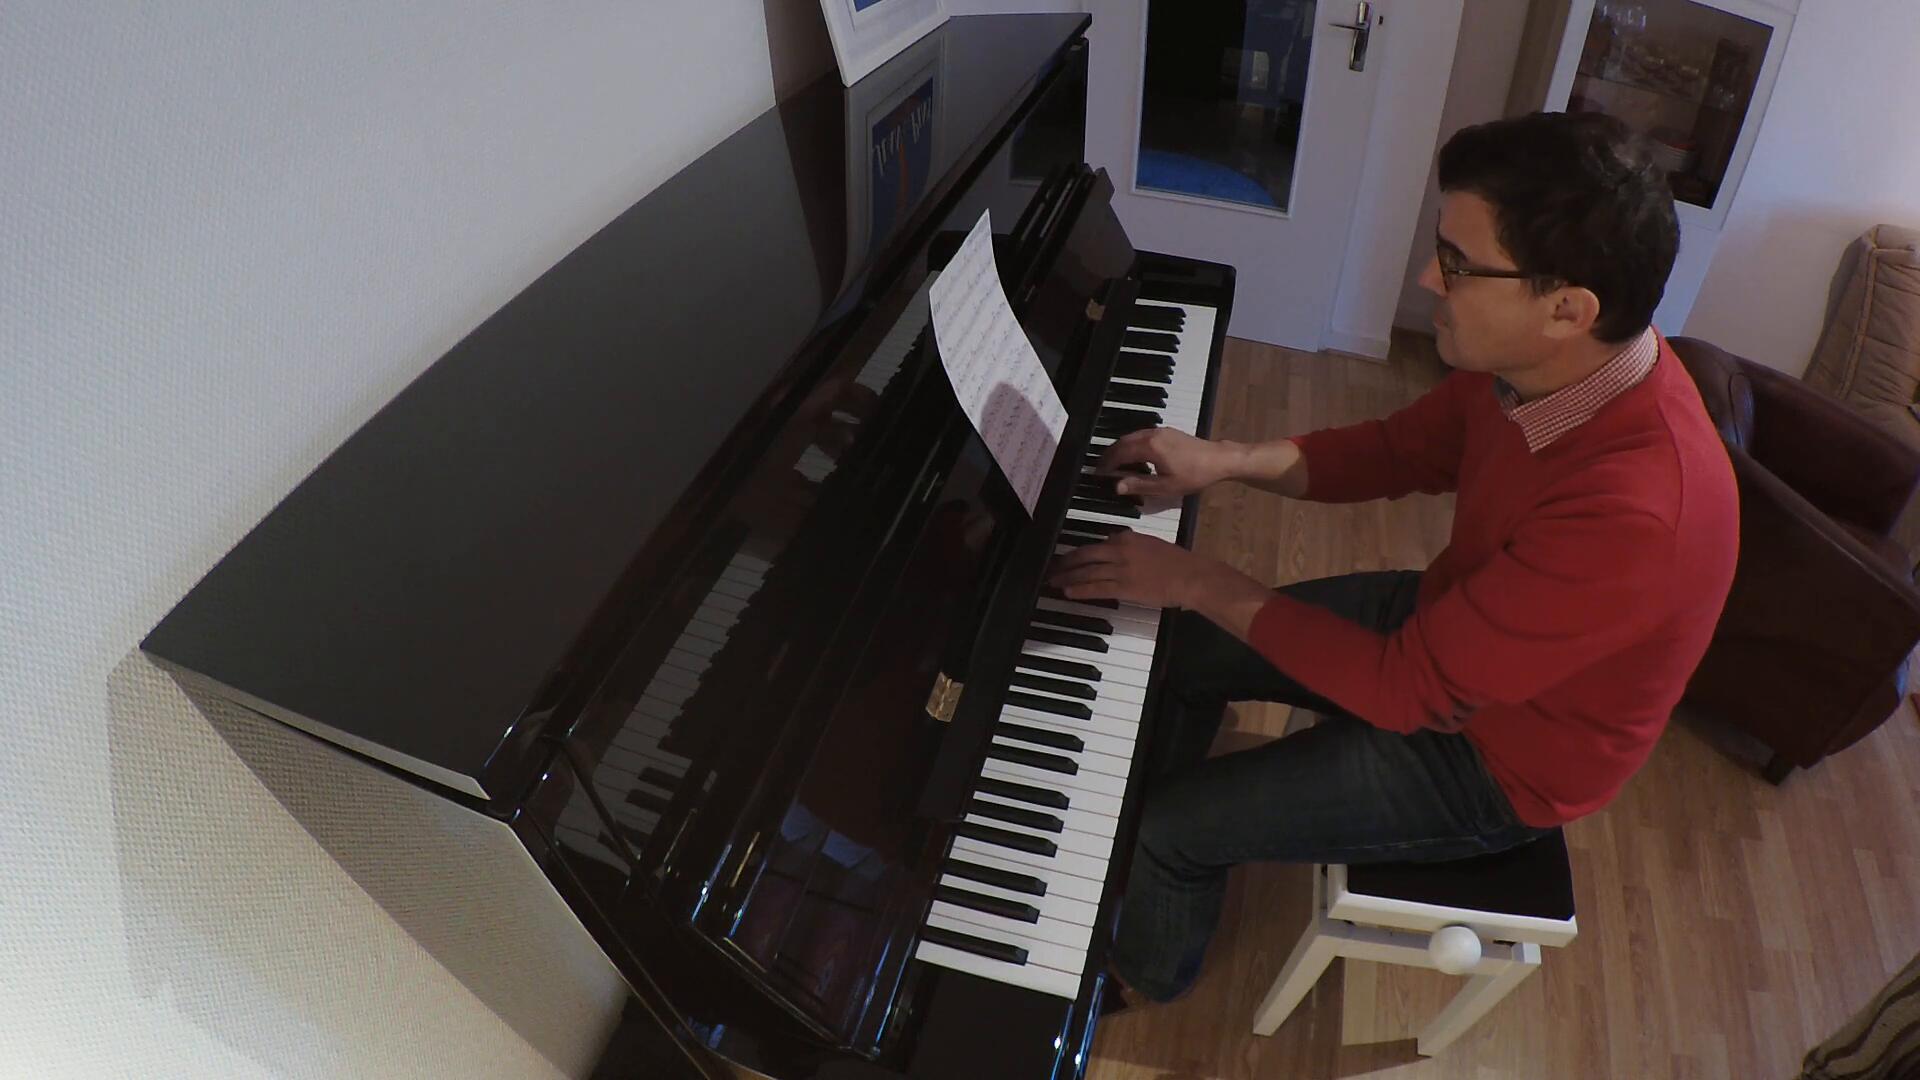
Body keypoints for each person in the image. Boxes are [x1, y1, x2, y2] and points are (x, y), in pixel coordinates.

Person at [1047, 111, 1739, 1003]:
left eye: (1457, 263)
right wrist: (1225, 460)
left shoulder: (1637, 512)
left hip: (1501, 758)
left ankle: (1140, 973)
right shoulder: (1538, 369)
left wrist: (1194, 578)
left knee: (1171, 829)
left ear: (1568, 309)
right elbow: (1395, 451)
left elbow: (1406, 692)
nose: (1427, 278)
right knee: (1180, 651)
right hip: (1453, 628)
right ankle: (1117, 815)